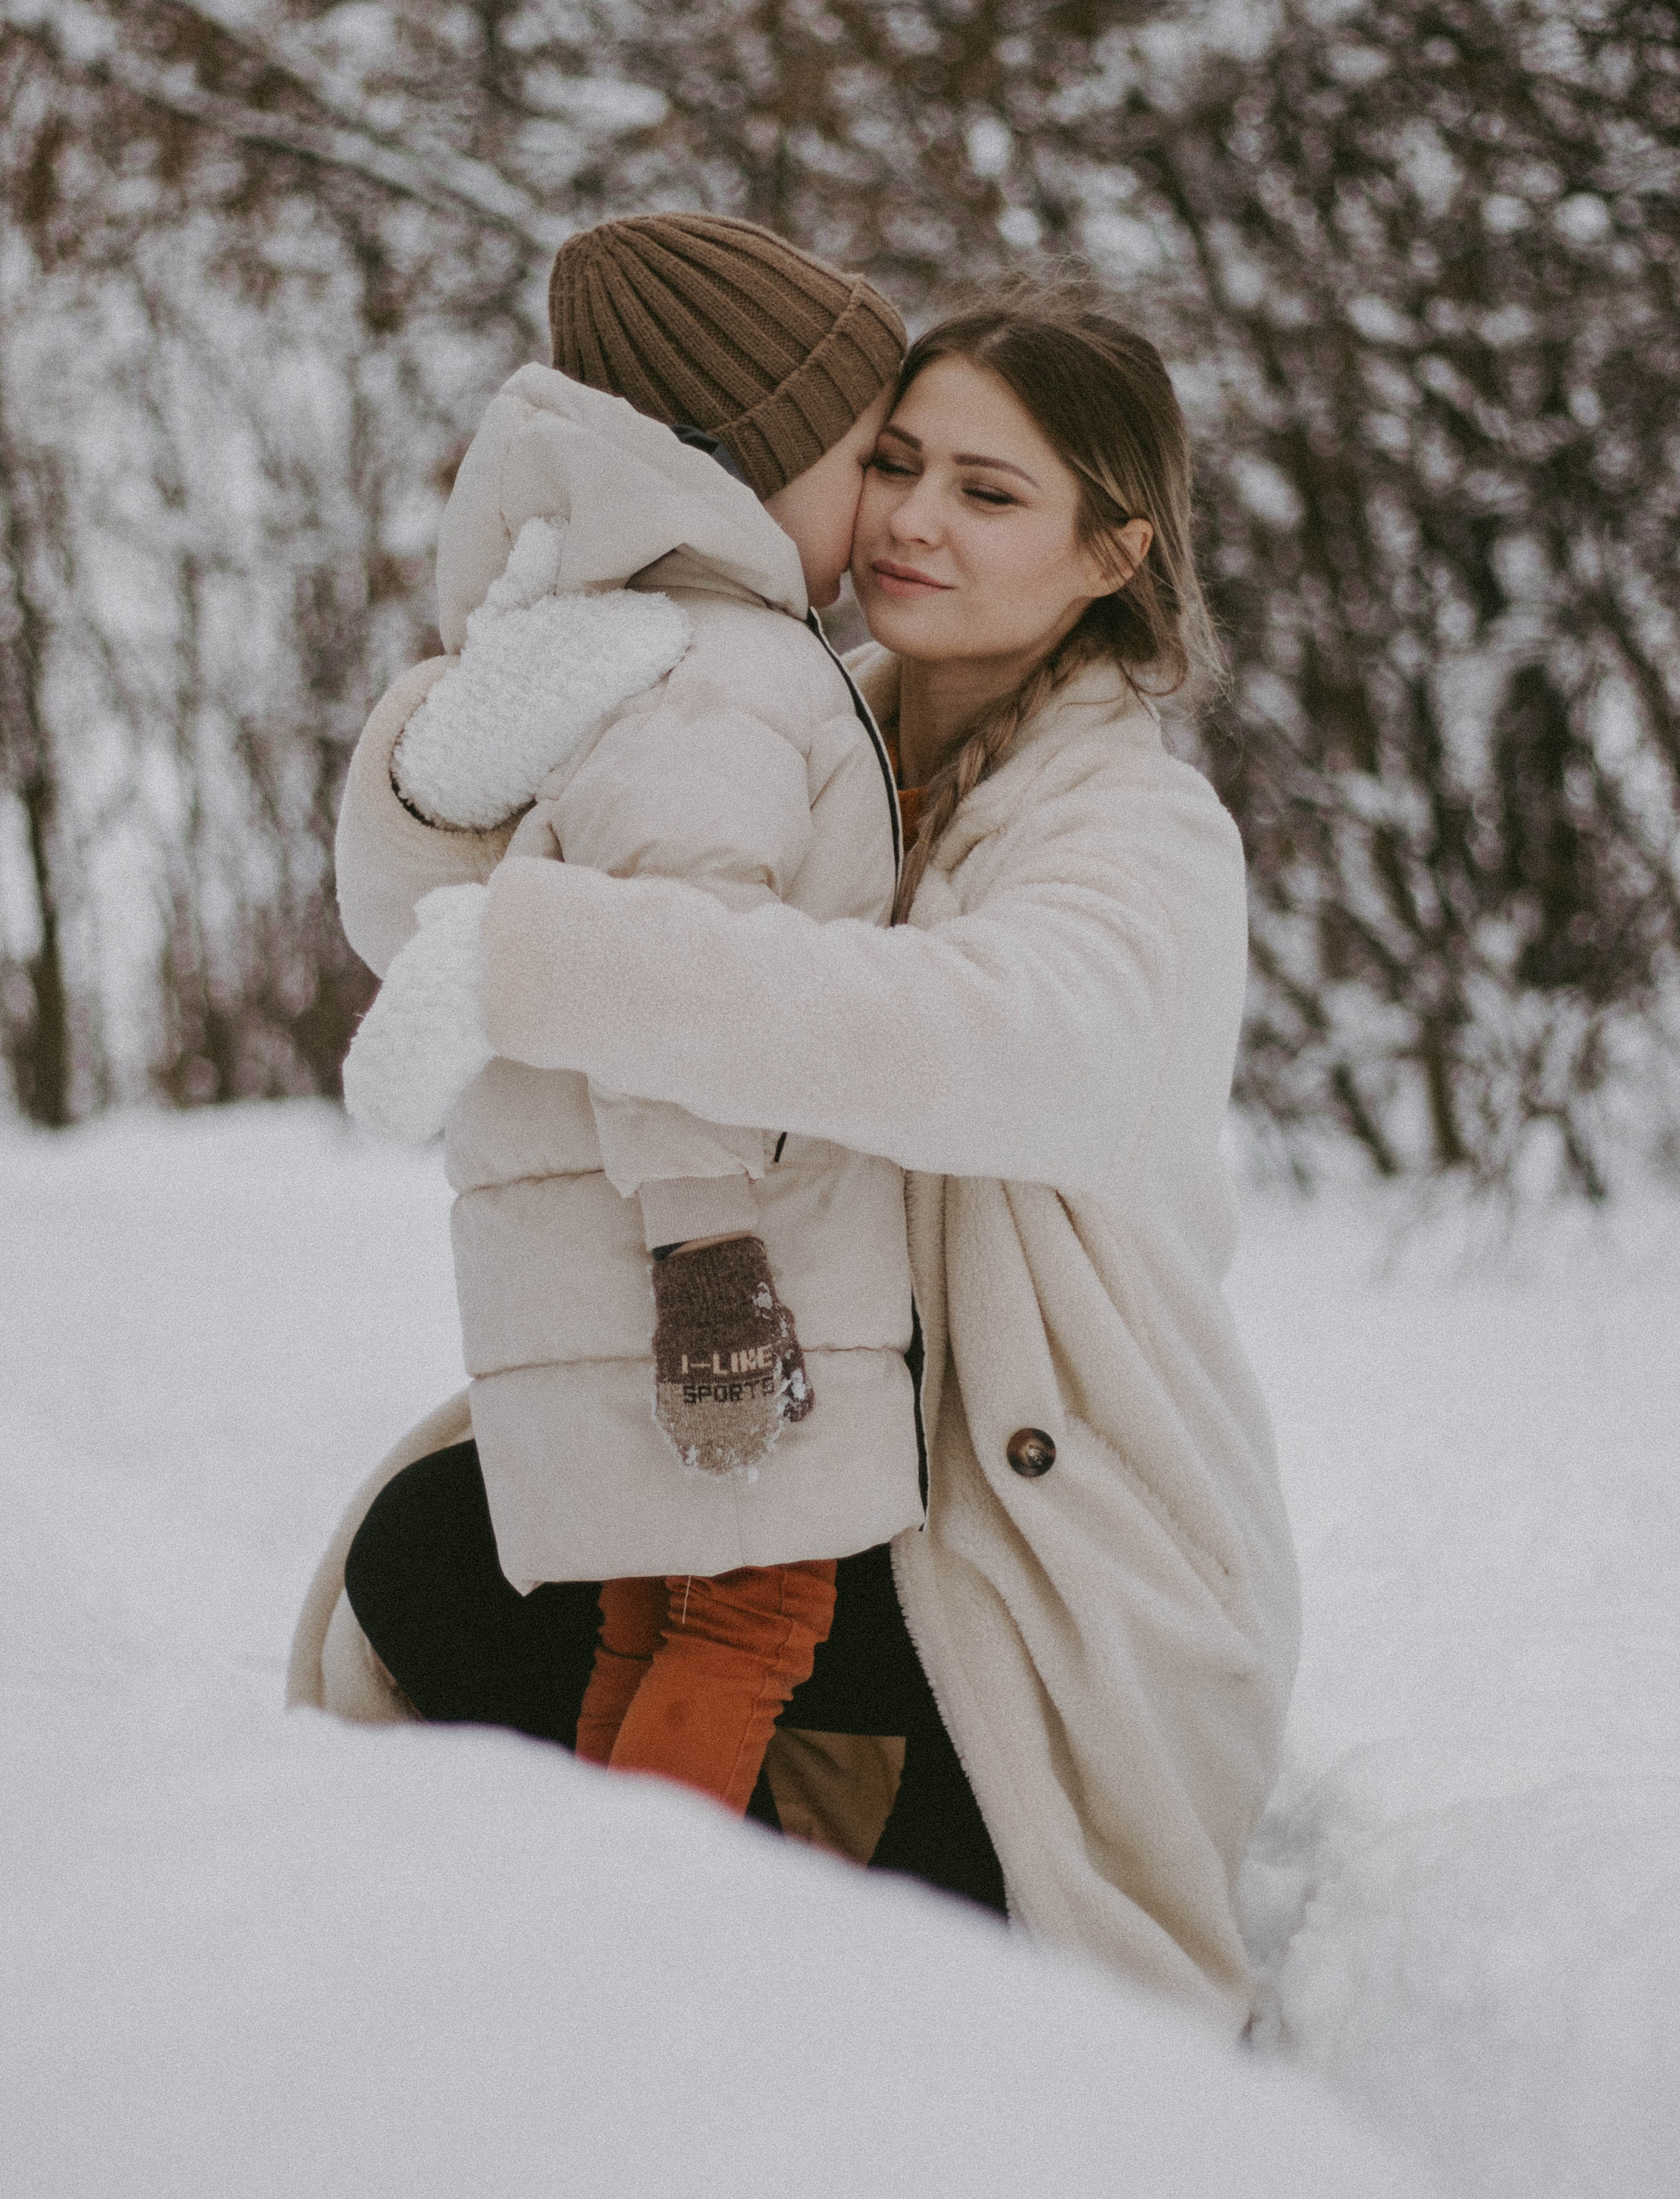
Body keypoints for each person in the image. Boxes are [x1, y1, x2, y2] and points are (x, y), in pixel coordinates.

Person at [291, 279, 1301, 2034]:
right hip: (788, 1410)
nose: (914, 515)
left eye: (991, 493)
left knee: (961, 1909)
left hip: (1019, 1523)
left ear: (1114, 549)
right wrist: (455, 759)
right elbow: (419, 920)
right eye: (897, 460)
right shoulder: (778, 702)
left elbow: (1007, 1046)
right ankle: (638, 1957)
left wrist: (569, 958)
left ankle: (787, 1967)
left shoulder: (1137, 825)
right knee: (438, 1552)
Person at [332, 212, 926, 1818]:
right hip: (716, 1263)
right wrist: (707, 1255)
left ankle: (595, 1912)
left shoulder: (639, 650)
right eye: (865, 457)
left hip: (640, 1252)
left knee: (654, 1612)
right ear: (751, 465)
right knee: (754, 1611)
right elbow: (673, 969)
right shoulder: (724, 672)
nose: (885, 503)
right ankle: (664, 1952)